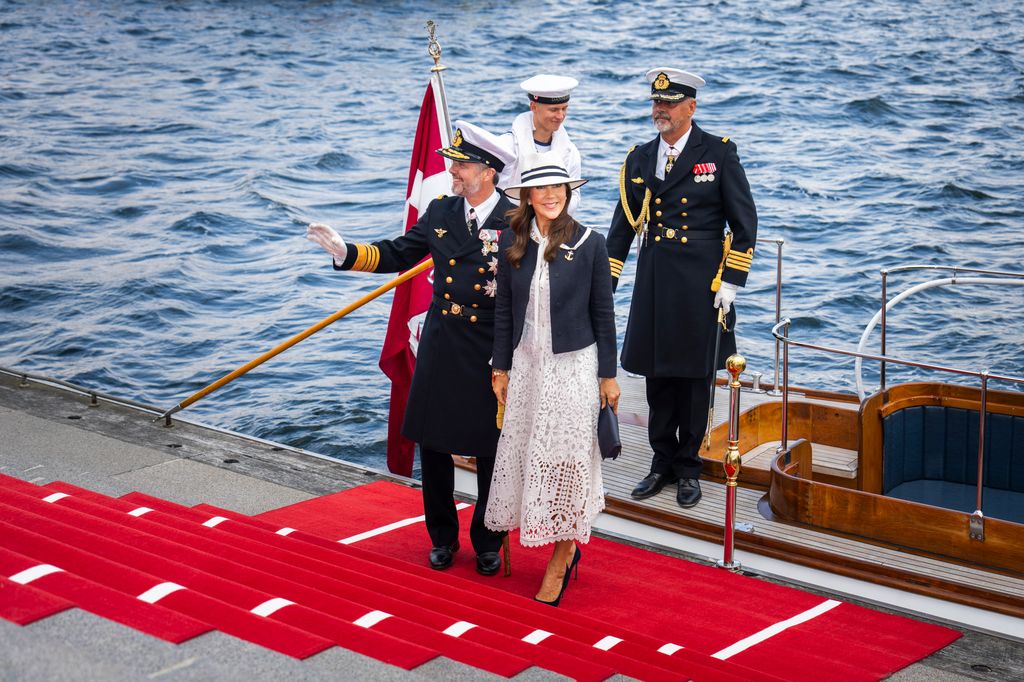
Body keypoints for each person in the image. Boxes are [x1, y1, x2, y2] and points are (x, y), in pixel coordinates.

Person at [306, 121, 515, 575]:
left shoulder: (517, 221)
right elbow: (399, 253)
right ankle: (442, 536)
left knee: (491, 450)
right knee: (435, 445)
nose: (453, 171)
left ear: (489, 171)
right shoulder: (441, 212)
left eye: (461, 164)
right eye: (453, 163)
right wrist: (348, 252)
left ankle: (488, 540)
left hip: (489, 346)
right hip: (442, 341)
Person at [606, 68, 757, 509]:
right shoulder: (639, 158)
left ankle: (689, 468)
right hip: (655, 282)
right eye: (657, 103)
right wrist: (604, 287)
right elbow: (621, 231)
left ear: (691, 106)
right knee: (658, 376)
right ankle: (661, 461)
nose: (661, 111)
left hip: (701, 286)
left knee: (694, 379)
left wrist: (731, 281)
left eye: (670, 103)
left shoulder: (719, 154)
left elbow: (745, 225)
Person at [486, 151, 620, 606]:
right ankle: (561, 543)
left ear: (568, 192)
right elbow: (504, 311)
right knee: (532, 454)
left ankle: (562, 556)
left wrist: (608, 376)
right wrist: (499, 367)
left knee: (570, 458)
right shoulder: (514, 243)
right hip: (528, 365)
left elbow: (604, 314)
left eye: (558, 187)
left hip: (574, 367)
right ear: (527, 195)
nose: (550, 195)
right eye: (541, 188)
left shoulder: (590, 243)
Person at [501, 74, 583, 214]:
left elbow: (574, 196)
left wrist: (549, 214)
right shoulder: (507, 145)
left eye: (564, 109)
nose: (560, 116)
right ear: (533, 106)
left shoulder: (571, 151)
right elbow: (497, 192)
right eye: (554, 110)